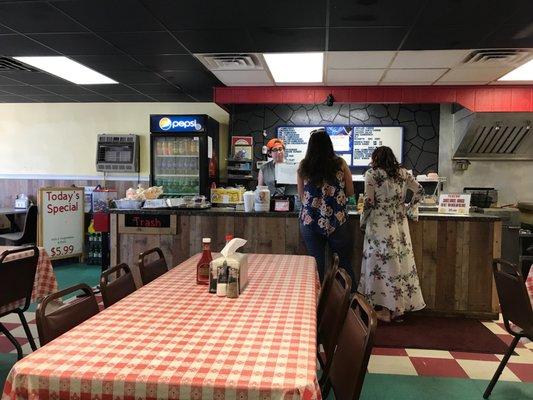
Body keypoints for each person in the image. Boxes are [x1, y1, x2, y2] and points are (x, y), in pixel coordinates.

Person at [358, 146, 426, 322]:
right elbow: (420, 190)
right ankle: (397, 310)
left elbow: (369, 201)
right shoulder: (403, 173)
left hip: (379, 224)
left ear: (375, 158)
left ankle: (380, 308)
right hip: (399, 224)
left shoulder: (372, 174)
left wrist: (363, 220)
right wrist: (410, 209)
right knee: (398, 263)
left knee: (377, 265)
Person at [297, 128, 356, 288]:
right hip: (337, 220)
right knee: (343, 263)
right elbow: (350, 192)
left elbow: (301, 196)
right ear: (329, 145)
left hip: (310, 221)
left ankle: (316, 304)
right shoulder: (340, 164)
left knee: (316, 264)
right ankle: (349, 303)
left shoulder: (304, 166)